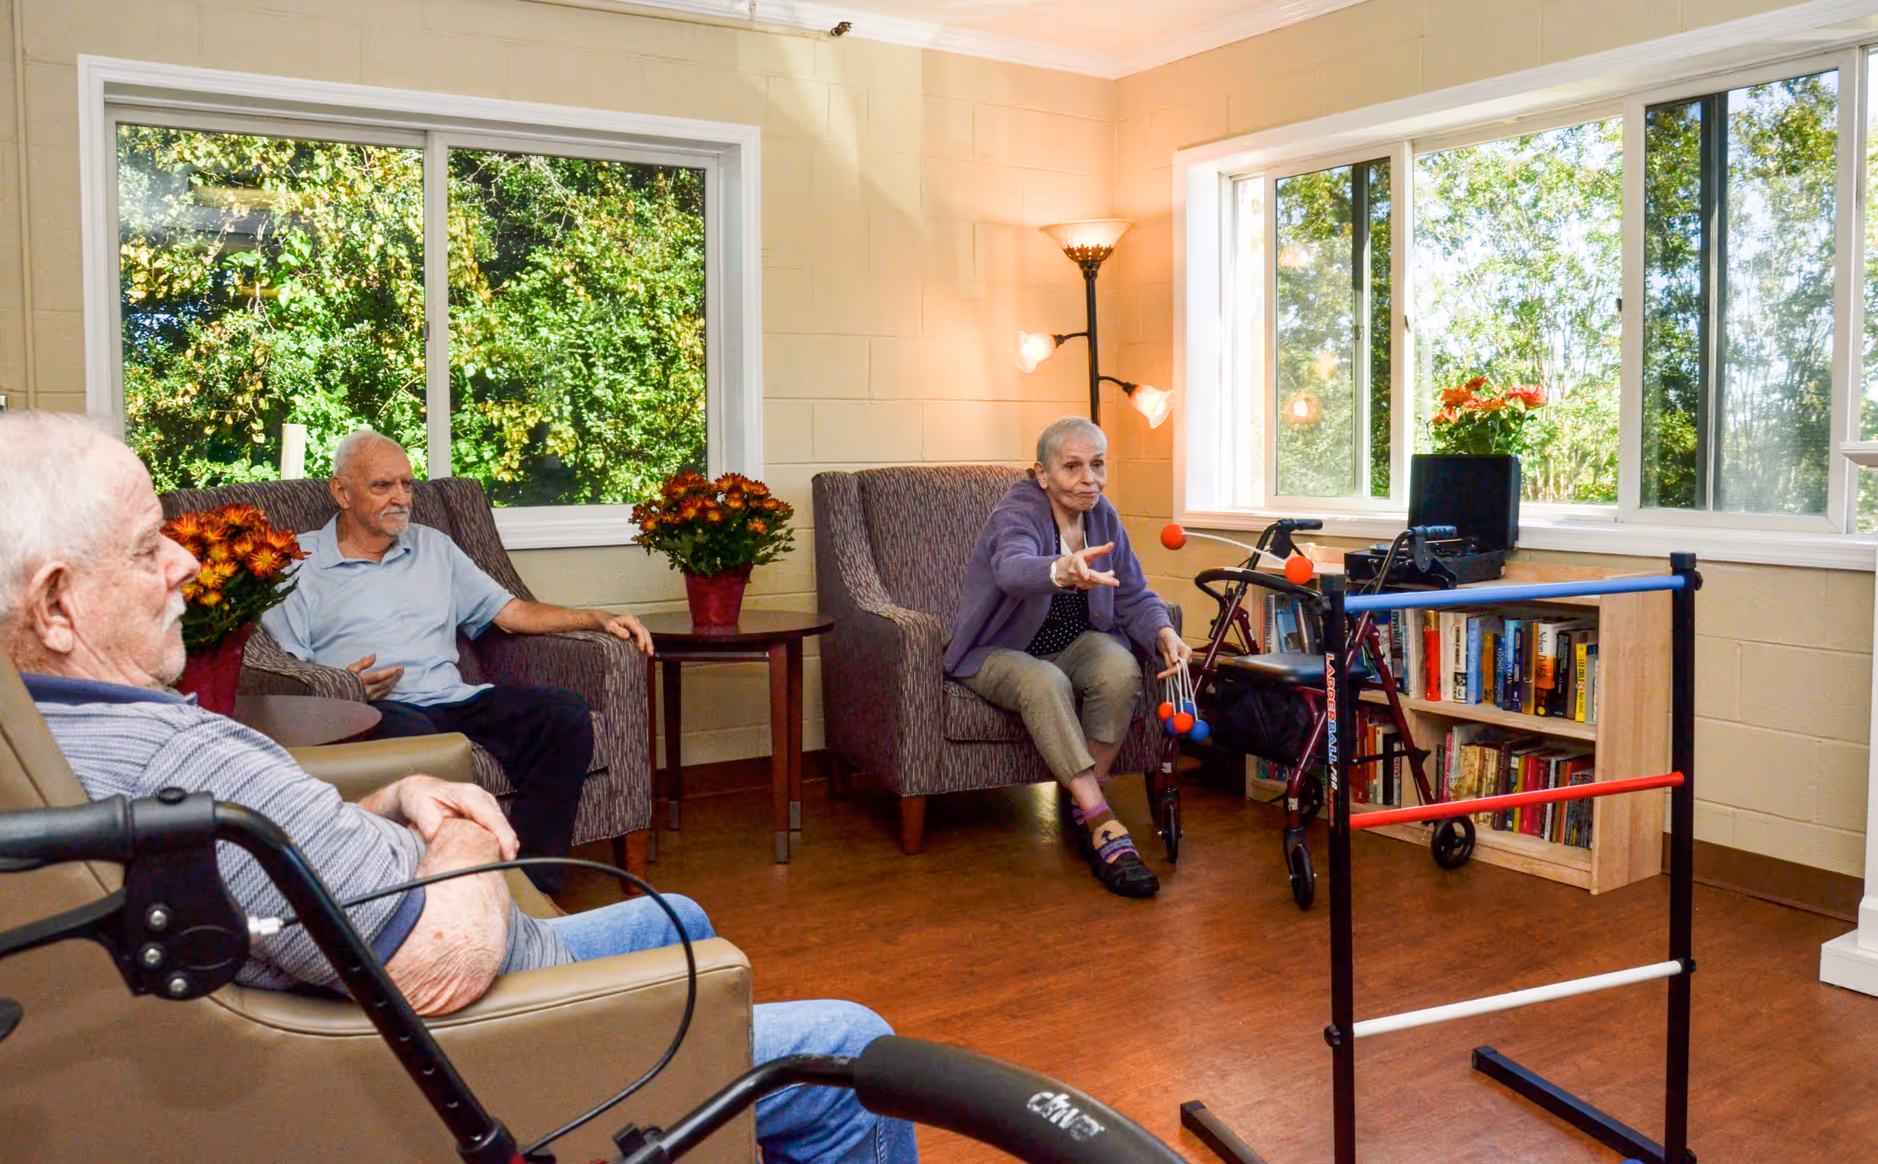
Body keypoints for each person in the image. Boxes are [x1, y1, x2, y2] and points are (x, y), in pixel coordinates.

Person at [0, 411, 915, 1164]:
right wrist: (463, 830)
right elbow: (435, 964)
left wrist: (397, 800)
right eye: (147, 546)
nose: (185, 565)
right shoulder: (189, 746)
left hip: (439, 769)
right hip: (450, 995)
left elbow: (250, 856)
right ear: (53, 604)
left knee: (671, 904)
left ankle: (560, 903)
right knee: (853, 1041)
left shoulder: (62, 738)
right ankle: (671, 1051)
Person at [259, 429, 652, 893]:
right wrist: (343, 688)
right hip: (373, 710)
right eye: (382, 486)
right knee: (418, 741)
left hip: (453, 697)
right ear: (341, 492)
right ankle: (452, 891)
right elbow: (288, 665)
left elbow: (512, 612)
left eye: (407, 485)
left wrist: (596, 617)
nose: (401, 498)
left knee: (563, 716)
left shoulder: (434, 547)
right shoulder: (298, 559)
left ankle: (532, 886)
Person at [945, 416, 1191, 898]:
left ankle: (1084, 797)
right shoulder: (1016, 513)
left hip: (1071, 646)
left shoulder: (1103, 515)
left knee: (1119, 666)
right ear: (1042, 473)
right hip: (998, 651)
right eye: (1073, 466)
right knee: (1045, 682)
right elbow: (1013, 569)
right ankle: (1102, 823)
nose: (1089, 479)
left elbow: (1133, 593)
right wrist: (1061, 568)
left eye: (1098, 465)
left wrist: (1162, 631)